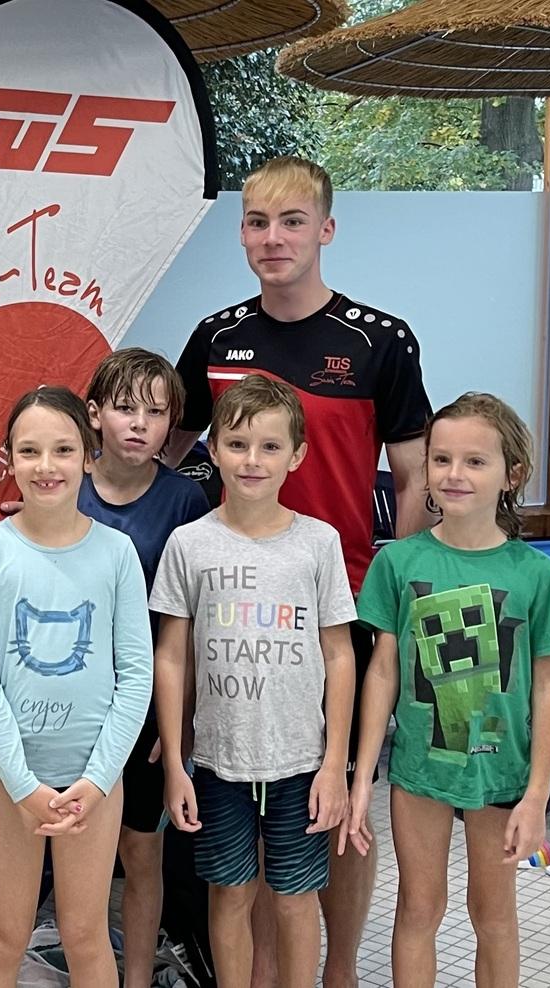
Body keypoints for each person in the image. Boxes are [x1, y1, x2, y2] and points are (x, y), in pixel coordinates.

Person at [164, 156, 433, 987]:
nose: (271, 238)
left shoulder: (377, 341)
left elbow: (416, 474)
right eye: (255, 221)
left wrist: (392, 589)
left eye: (290, 221)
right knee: (244, 796)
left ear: (325, 229)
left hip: (340, 601)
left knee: (342, 800)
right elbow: (172, 451)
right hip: (232, 605)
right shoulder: (216, 336)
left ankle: (339, 970)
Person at [345, 392, 550, 988]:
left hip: (504, 773)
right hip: (420, 770)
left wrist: (537, 794)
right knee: (419, 909)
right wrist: (364, 777)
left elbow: (549, 685)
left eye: (475, 461)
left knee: (493, 914)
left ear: (512, 474)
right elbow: (383, 673)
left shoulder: (535, 573)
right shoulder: (399, 563)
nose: (454, 474)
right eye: (441, 459)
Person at [152, 375, 356, 988]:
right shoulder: (189, 544)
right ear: (212, 451)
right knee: (229, 896)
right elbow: (172, 656)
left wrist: (335, 764)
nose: (252, 460)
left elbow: (340, 655)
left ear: (297, 455)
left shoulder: (318, 544)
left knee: (295, 901)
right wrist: (175, 763)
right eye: (237, 444)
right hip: (218, 762)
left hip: (301, 762)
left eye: (270, 447)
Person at [0, 386, 153, 988]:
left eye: (63, 450)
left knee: (87, 934)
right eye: (30, 451)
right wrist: (23, 785)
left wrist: (97, 781)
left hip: (95, 780)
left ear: (89, 456)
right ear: (9, 460)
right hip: (7, 781)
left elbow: (137, 674)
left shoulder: (117, 552)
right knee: (4, 934)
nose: (46, 467)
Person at [78, 348, 209, 988]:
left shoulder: (187, 501)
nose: (138, 424)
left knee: (141, 850)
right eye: (125, 408)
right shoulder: (63, 486)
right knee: (78, 853)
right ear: (95, 415)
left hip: (149, 708)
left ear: (172, 423)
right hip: (71, 705)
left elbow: (192, 629)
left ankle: (134, 978)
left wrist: (177, 724)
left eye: (155, 413)